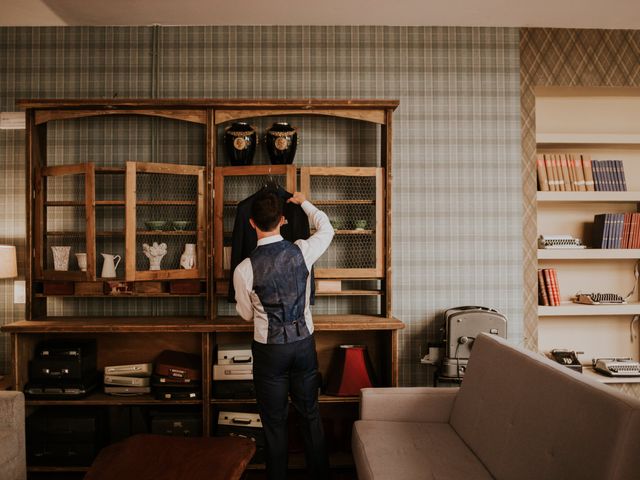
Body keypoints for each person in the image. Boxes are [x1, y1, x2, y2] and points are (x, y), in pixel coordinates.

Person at [233, 189, 334, 480]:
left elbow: (246, 314)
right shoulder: (303, 250)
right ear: (282, 220)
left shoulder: (244, 269)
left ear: (251, 223)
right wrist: (303, 202)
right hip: (303, 345)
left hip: (269, 352)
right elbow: (326, 227)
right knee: (310, 414)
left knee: (274, 424)